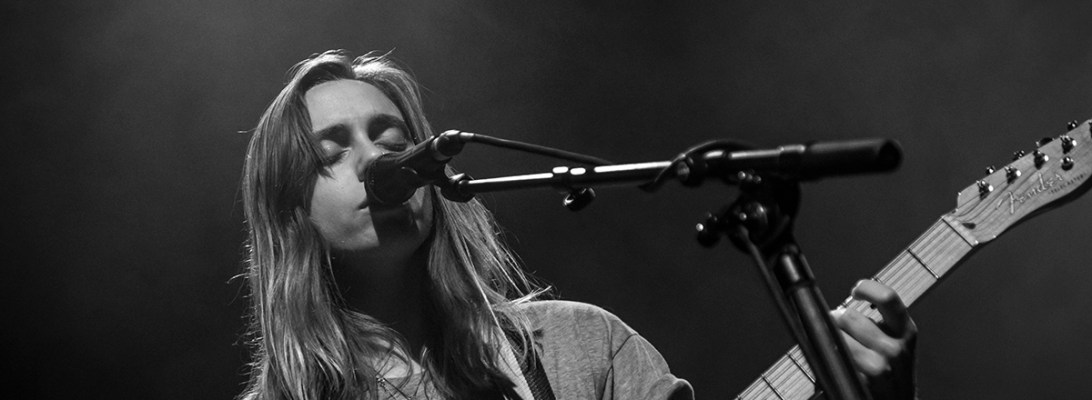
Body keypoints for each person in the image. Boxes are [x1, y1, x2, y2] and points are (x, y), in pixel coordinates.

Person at [237, 49, 917, 400]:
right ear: (289, 213)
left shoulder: (580, 348)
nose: (378, 160)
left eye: (391, 139)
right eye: (333, 152)